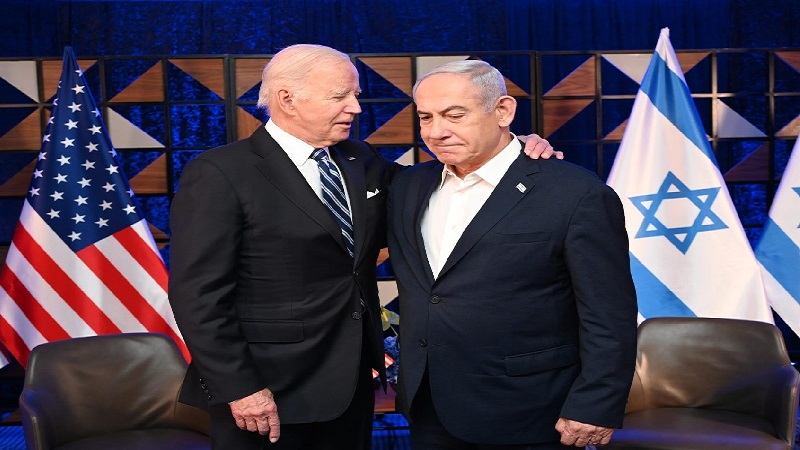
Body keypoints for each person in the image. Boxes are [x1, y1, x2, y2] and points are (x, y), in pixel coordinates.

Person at [168, 44, 558, 450]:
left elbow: (436, 184)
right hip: (266, 390)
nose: (355, 107)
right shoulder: (220, 173)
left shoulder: (359, 158)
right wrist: (240, 388)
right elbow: (198, 295)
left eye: (355, 95)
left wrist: (508, 147)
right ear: (287, 99)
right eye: (340, 96)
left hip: (351, 385)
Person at [387, 59, 638, 449]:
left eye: (455, 115)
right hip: (429, 407)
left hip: (531, 410)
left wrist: (596, 403)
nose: (436, 131)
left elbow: (608, 313)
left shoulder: (575, 193)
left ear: (503, 111)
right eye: (426, 117)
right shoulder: (408, 186)